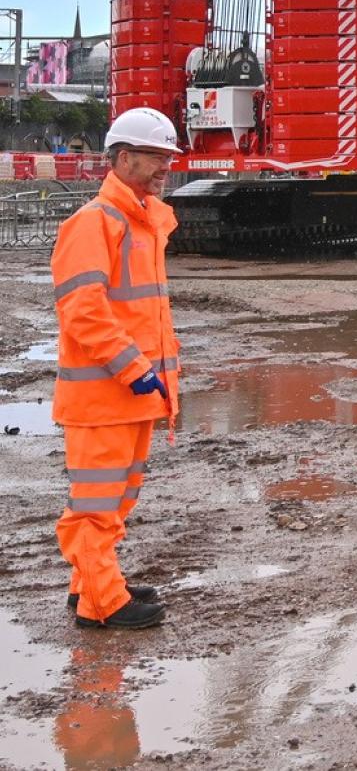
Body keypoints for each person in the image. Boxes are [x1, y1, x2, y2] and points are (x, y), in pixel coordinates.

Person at [49, 106, 184, 630]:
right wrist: (134, 368)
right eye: (156, 157)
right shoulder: (95, 224)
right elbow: (83, 310)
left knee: (116, 499)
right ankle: (102, 603)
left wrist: (155, 381)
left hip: (131, 395)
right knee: (96, 506)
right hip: (105, 397)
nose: (165, 167)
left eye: (169, 157)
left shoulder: (141, 223)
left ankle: (90, 583)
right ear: (123, 158)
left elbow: (144, 314)